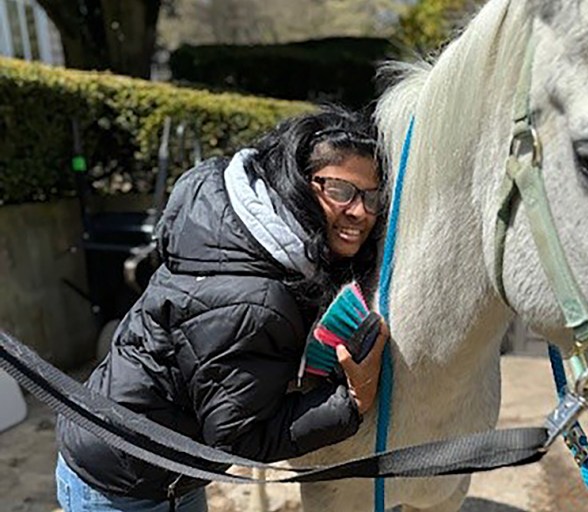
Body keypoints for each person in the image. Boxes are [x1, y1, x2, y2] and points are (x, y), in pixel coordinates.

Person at [55, 105, 389, 512]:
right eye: (340, 190)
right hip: (120, 482)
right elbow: (239, 438)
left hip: (163, 462)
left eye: (373, 196)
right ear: (301, 183)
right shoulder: (255, 297)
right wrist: (352, 402)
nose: (361, 211)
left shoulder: (246, 235)